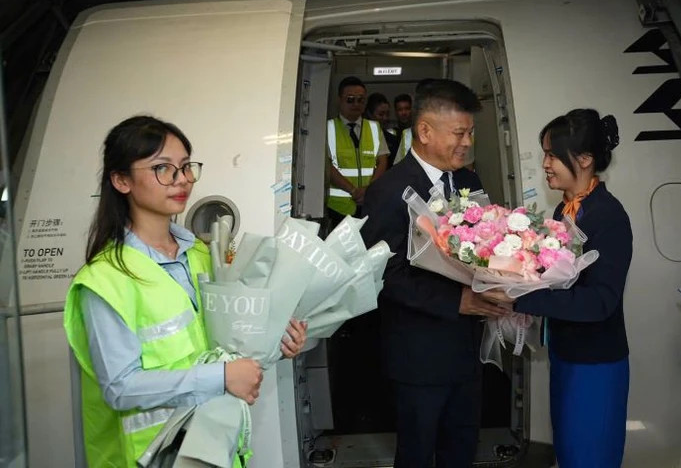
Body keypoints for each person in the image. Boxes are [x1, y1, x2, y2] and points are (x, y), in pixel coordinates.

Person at [63, 115, 308, 468]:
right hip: (150, 456)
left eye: (186, 167)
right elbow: (120, 388)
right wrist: (222, 378)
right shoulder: (105, 280)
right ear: (120, 180)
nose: (182, 180)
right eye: (163, 169)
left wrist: (274, 341)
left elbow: (224, 342)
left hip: (214, 444)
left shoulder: (201, 255)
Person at [361, 79, 509, 468]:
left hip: (466, 349)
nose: (467, 143)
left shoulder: (469, 182)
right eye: (459, 133)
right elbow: (384, 275)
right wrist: (458, 300)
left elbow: (485, 250)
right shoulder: (388, 191)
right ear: (424, 131)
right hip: (419, 355)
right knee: (417, 452)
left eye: (471, 133)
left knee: (461, 448)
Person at [484, 109, 632, 468]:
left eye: (552, 155)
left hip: (596, 362)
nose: (546, 164)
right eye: (545, 155)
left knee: (589, 457)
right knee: (568, 453)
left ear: (584, 159)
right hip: (565, 353)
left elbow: (601, 301)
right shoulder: (563, 213)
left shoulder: (608, 216)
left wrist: (523, 296)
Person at [327, 76, 389, 225]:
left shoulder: (374, 127)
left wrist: (369, 190)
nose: (356, 104)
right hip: (338, 209)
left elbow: (382, 162)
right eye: (350, 99)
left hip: (370, 205)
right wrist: (353, 191)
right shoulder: (328, 128)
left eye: (360, 100)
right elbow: (326, 166)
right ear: (339, 100)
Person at [365, 92, 399, 168]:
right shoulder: (360, 136)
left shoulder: (392, 140)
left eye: (387, 114)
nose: (385, 118)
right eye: (381, 114)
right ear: (370, 114)